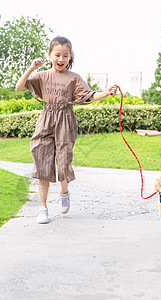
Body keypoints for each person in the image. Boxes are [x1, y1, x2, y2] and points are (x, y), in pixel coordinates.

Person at [16, 36, 117, 224]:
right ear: (50, 55)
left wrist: (106, 93)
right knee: (43, 163)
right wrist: (31, 68)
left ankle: (64, 193)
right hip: (46, 119)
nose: (61, 59)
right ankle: (43, 208)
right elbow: (19, 86)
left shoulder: (74, 78)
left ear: (70, 57)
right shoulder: (42, 76)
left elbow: (90, 95)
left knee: (63, 163)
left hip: (65, 120)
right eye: (57, 55)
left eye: (65, 55)